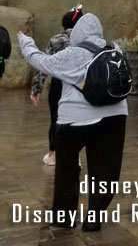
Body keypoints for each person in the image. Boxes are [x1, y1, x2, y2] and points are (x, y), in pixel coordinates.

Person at [18, 13, 128, 232]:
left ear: (77, 33)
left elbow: (40, 61)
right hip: (115, 117)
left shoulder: (72, 53)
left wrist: (26, 42)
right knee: (106, 170)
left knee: (67, 169)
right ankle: (94, 217)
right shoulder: (115, 49)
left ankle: (64, 218)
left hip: (75, 121)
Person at [30, 5, 84, 166]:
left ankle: (53, 154)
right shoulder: (85, 40)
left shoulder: (55, 40)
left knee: (56, 118)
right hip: (79, 83)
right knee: (77, 119)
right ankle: (75, 156)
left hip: (59, 83)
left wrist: (36, 89)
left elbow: (44, 65)